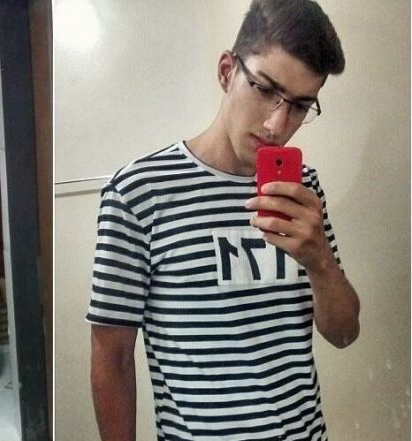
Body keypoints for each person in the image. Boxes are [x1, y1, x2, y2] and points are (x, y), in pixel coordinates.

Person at [88, 1, 361, 440]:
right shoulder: (137, 193)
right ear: (226, 71)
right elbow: (112, 356)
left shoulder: (303, 190)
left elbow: (344, 334)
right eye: (265, 89)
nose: (276, 124)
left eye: (299, 106)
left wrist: (321, 263)